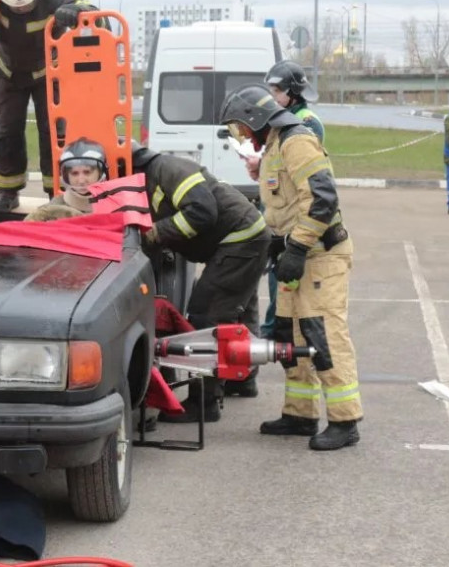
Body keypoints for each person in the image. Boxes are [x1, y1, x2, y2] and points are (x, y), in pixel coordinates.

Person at [221, 84, 361, 451]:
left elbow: (322, 199)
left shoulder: (296, 142)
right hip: (294, 255)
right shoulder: (275, 146)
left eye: (240, 127)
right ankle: (300, 414)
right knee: (291, 337)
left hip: (320, 256)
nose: (242, 135)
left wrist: (297, 248)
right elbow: (284, 202)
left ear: (255, 119)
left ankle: (346, 421)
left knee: (324, 336)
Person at [131, 141, 270, 422]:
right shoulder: (153, 176)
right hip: (243, 238)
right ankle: (242, 379)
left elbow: (202, 213)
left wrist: (159, 232)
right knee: (237, 314)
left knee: (207, 316)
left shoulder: (167, 171)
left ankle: (204, 403)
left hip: (239, 240)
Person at [0, 0, 96, 211]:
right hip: (7, 71)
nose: (23, 8)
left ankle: (55, 191)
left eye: (28, 3)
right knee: (6, 132)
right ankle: (6, 192)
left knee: (53, 133)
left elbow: (92, 13)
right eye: (16, 7)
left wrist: (78, 12)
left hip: (47, 71)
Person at [254, 62, 323, 344]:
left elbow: (301, 169)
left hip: (295, 214)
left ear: (293, 93)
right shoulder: (281, 121)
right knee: (276, 276)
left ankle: (277, 328)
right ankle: (277, 325)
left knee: (284, 276)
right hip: (278, 207)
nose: (272, 95)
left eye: (277, 90)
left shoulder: (305, 123)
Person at [48, 137, 107, 214]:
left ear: (100, 172)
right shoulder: (53, 208)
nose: (81, 181)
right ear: (66, 176)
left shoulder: (116, 207)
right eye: (74, 173)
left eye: (87, 172)